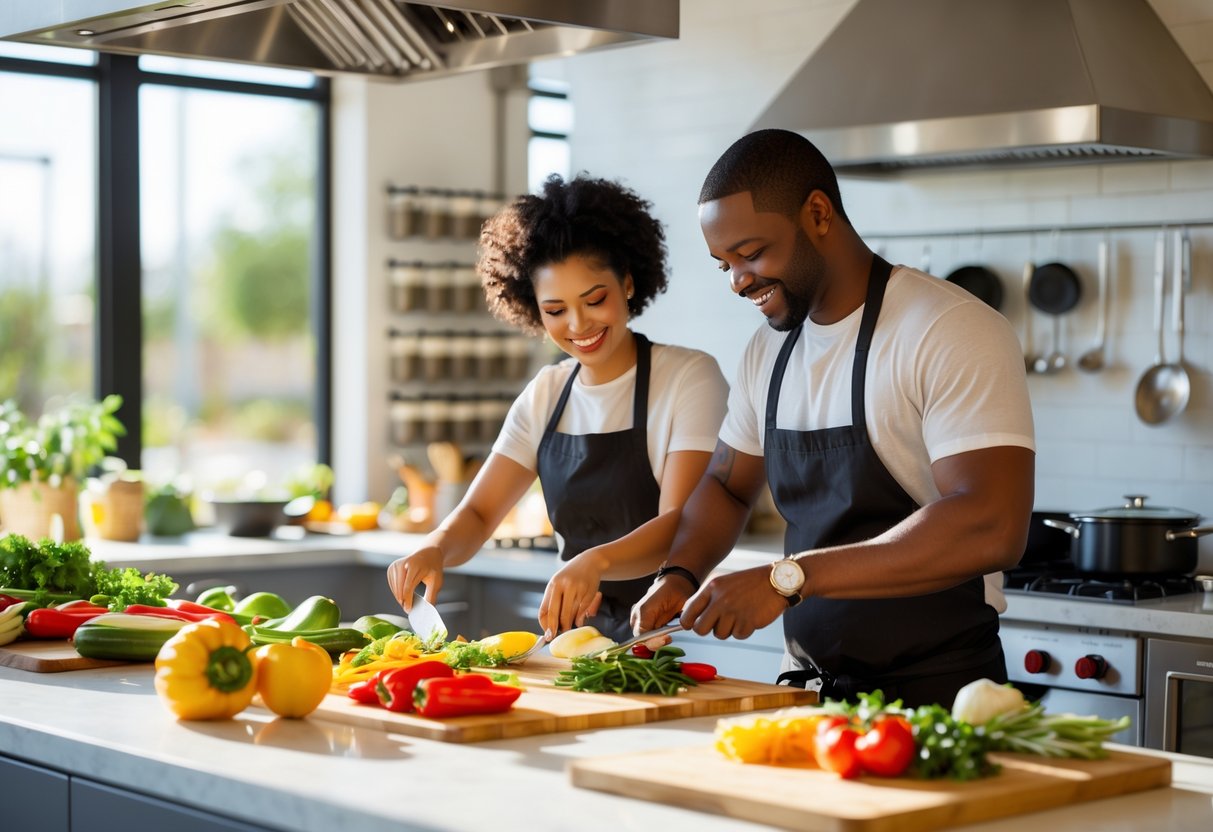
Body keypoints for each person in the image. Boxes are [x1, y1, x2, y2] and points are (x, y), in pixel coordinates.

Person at [633, 129, 1035, 707]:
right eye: (724, 263)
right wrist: (679, 573)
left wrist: (787, 578)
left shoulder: (949, 328)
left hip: (940, 697)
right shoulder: (766, 352)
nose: (738, 280)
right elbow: (725, 485)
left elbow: (990, 523)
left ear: (818, 214)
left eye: (751, 254)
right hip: (808, 693)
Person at [388, 174, 729, 643]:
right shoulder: (546, 392)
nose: (578, 324)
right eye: (555, 310)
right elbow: (480, 515)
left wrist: (596, 561)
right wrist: (435, 548)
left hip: (672, 632)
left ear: (628, 283)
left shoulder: (689, 377)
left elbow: (681, 525)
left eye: (595, 299)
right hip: (574, 644)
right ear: (533, 309)